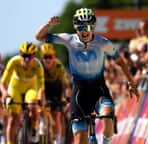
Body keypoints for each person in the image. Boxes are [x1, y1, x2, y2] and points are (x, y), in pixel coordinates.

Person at [34, 8, 139, 144]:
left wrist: (131, 82)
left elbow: (120, 62)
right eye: (81, 27)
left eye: (88, 26)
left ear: (93, 26)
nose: (85, 31)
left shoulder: (103, 43)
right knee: (80, 139)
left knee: (108, 116)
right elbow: (39, 37)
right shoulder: (69, 40)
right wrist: (48, 24)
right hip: (80, 93)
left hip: (99, 89)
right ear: (75, 27)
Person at [0, 41, 45, 144]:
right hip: (16, 88)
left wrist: (41, 100)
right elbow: (3, 82)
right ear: (20, 55)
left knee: (33, 105)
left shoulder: (38, 66)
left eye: (30, 56)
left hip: (30, 89)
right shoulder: (14, 62)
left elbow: (41, 87)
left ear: (34, 56)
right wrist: (4, 93)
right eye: (24, 56)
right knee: (12, 117)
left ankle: (34, 126)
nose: (27, 59)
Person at [39, 43, 70, 144]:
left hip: (56, 89)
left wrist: (67, 98)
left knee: (57, 115)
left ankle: (58, 141)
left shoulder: (58, 65)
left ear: (54, 57)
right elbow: (38, 87)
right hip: (43, 89)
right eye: (45, 57)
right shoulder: (39, 66)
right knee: (39, 108)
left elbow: (65, 84)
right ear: (41, 58)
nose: (48, 60)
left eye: (50, 57)